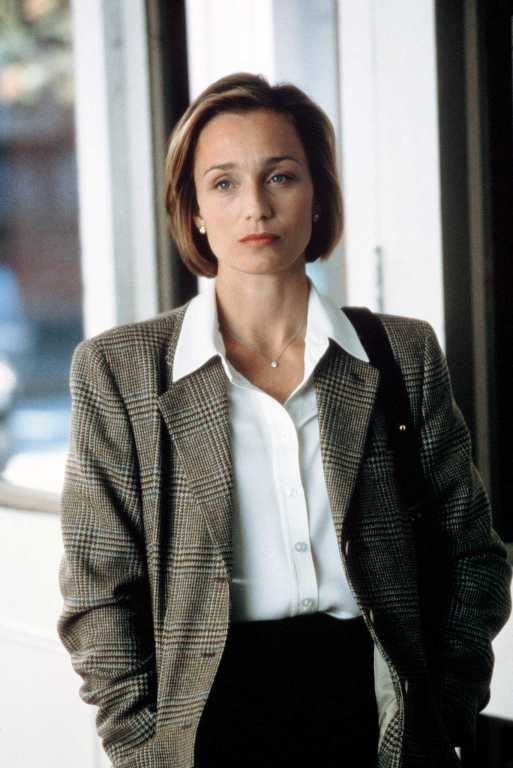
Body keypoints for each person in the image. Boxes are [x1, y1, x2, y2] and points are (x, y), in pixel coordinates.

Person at [57, 72, 512, 768]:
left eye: (281, 177)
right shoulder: (120, 370)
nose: (256, 208)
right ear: (193, 210)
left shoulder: (401, 353)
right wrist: (145, 749)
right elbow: (97, 593)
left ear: (318, 195)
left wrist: (444, 705)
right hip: (208, 725)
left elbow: (472, 554)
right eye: (224, 183)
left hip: (379, 718)